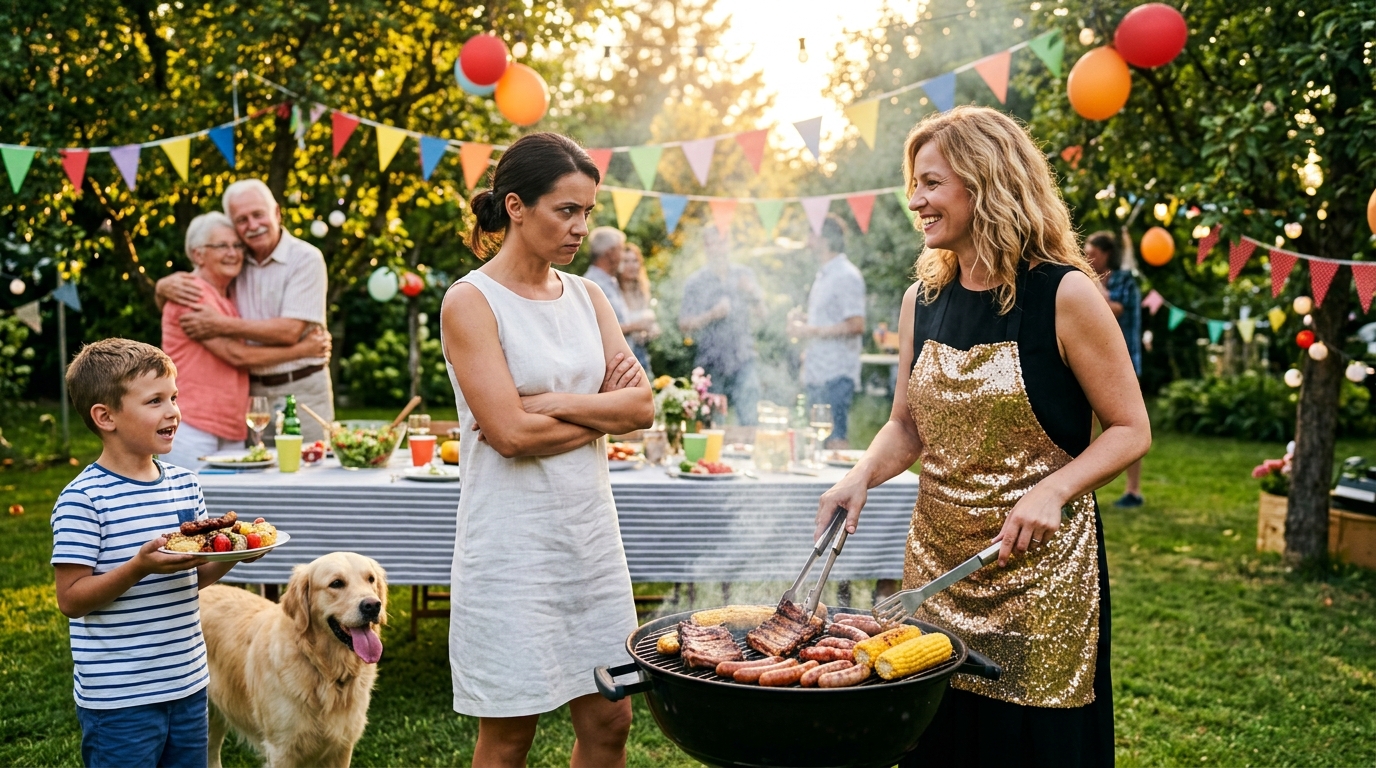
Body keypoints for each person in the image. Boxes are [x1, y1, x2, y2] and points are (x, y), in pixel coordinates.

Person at [816, 106, 1150, 767]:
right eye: (914, 184)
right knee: (938, 741)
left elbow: (1130, 428)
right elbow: (906, 425)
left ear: (985, 181)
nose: (916, 200)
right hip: (937, 571)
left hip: (1038, 577)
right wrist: (858, 477)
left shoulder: (1064, 294)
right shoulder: (922, 299)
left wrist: (1055, 489)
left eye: (931, 183)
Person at [440, 132, 654, 768]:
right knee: (508, 737)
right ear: (515, 206)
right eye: (566, 210)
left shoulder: (590, 297)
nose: (580, 227)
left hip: (588, 541)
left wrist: (549, 402)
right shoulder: (470, 301)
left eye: (587, 212)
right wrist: (600, 412)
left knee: (612, 720)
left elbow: (641, 408)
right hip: (510, 548)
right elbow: (509, 437)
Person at [52, 338, 257, 767]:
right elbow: (71, 599)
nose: (173, 411)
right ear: (105, 417)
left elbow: (191, 577)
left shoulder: (186, 484)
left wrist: (234, 555)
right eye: (155, 401)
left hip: (187, 683)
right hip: (120, 697)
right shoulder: (84, 499)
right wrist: (137, 567)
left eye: (174, 397)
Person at [155, 180, 333, 444]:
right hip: (253, 393)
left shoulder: (306, 258)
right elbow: (184, 309)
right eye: (242, 220)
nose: (252, 225)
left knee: (309, 470)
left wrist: (219, 324)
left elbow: (289, 331)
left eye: (258, 214)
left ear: (277, 212)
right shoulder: (235, 261)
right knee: (257, 478)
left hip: (301, 388)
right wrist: (161, 288)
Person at [788, 215, 866, 449]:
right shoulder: (823, 275)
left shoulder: (846, 275)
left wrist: (809, 329)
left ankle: (846, 486)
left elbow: (856, 324)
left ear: (824, 239)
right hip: (817, 371)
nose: (807, 241)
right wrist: (804, 320)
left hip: (835, 373)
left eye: (810, 235)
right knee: (817, 440)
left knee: (835, 437)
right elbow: (830, 319)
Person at [677, 227, 765, 425]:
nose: (717, 248)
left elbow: (763, 316)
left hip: (744, 357)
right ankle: (713, 457)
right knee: (713, 421)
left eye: (721, 242)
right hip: (711, 361)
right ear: (705, 248)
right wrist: (711, 315)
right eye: (711, 243)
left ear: (729, 244)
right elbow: (684, 324)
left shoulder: (744, 274)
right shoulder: (696, 282)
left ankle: (749, 453)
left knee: (750, 418)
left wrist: (752, 293)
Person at [1086, 230, 1145, 508]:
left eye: (1093, 255)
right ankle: (1082, 484)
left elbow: (1115, 309)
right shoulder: (1092, 280)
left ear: (1106, 254)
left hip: (1124, 361)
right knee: (1087, 421)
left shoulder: (1123, 280)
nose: (1088, 259)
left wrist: (1095, 289)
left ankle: (1133, 490)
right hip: (1092, 359)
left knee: (1127, 425)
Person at [617, 241, 660, 377]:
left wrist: (652, 331)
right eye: (626, 261)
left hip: (642, 359)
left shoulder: (642, 292)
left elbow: (651, 325)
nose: (631, 266)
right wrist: (637, 327)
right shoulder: (613, 293)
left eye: (635, 261)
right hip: (621, 361)